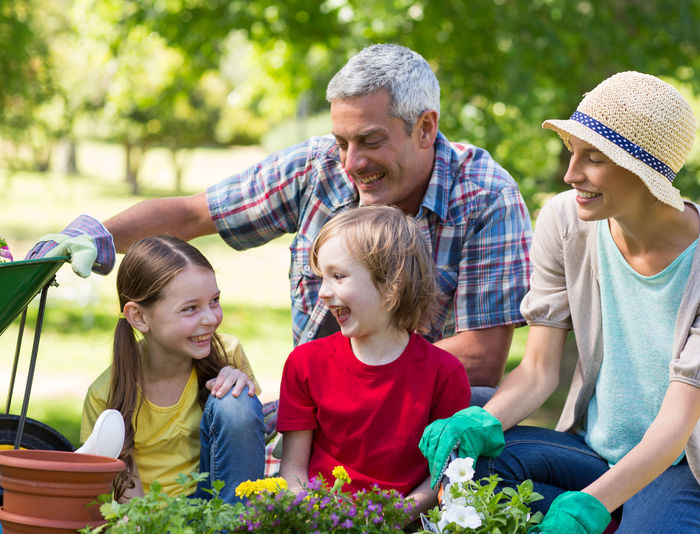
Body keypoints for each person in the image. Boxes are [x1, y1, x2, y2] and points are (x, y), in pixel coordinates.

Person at [27, 43, 533, 395]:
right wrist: (94, 234)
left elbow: (481, 360)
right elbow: (191, 213)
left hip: (419, 413)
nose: (352, 164)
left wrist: (332, 394)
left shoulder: (486, 198)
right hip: (311, 410)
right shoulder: (318, 168)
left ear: (426, 128)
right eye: (342, 142)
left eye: (371, 141)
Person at [419, 72, 700, 533]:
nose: (571, 175)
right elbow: (538, 371)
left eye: (593, 159)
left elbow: (674, 430)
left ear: (642, 170)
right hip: (596, 452)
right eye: (572, 154)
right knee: (473, 468)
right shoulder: (565, 223)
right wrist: (478, 423)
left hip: (686, 469)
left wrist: (583, 508)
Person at [277, 205, 471, 522]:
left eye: (338, 276)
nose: (324, 293)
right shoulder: (305, 363)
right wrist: (320, 519)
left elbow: (445, 474)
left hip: (403, 522)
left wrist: (393, 518)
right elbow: (293, 470)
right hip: (320, 519)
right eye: (322, 278)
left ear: (391, 283)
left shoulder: (444, 373)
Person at [81, 235, 266, 504]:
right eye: (190, 309)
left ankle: (239, 527)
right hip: (149, 519)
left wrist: (238, 384)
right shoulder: (106, 393)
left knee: (235, 402)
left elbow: (242, 447)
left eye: (214, 301)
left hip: (219, 510)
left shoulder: (227, 355)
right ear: (139, 317)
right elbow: (120, 498)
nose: (211, 318)